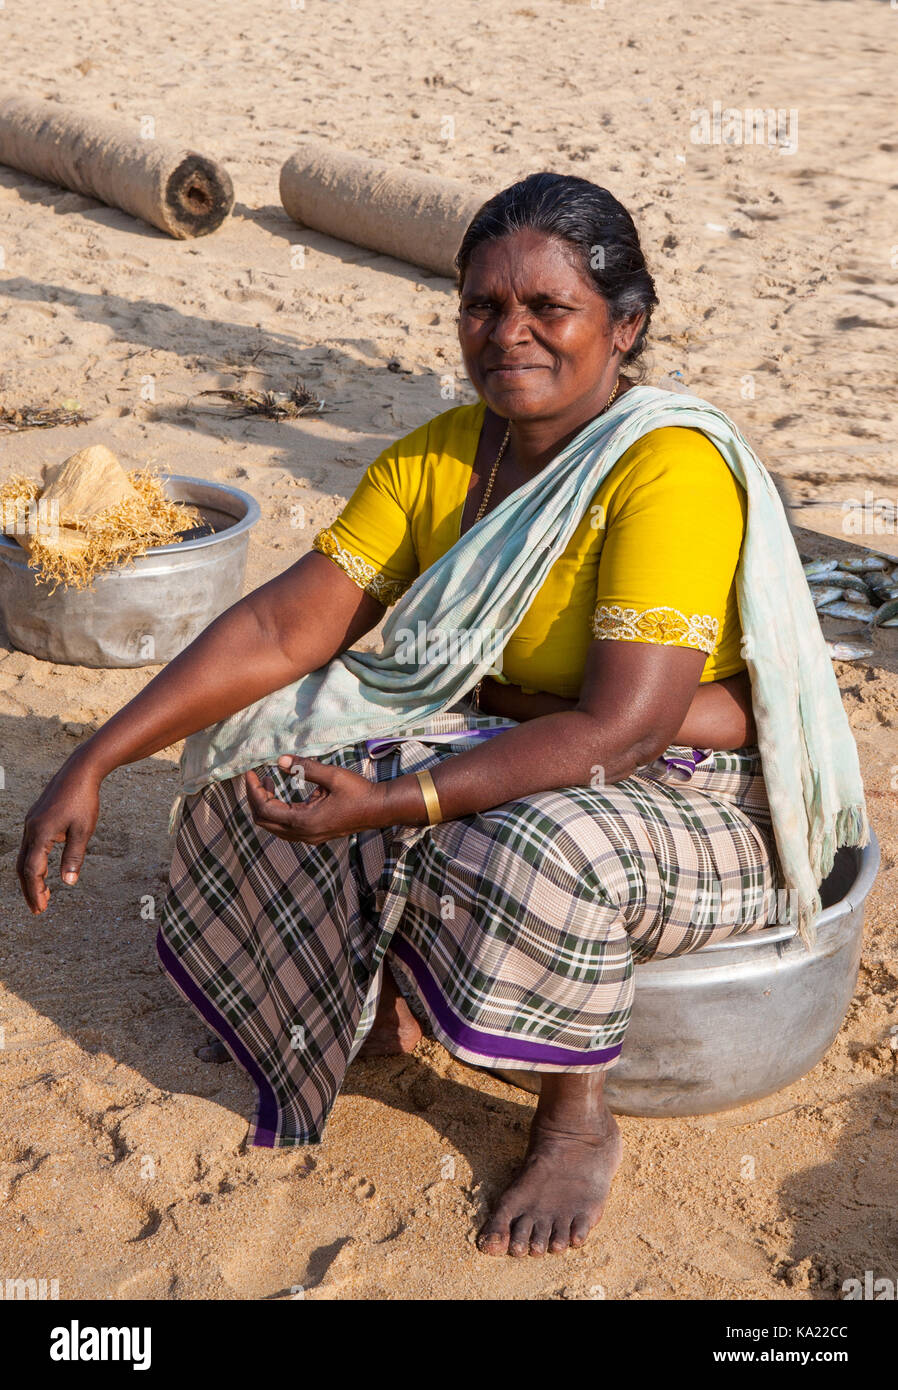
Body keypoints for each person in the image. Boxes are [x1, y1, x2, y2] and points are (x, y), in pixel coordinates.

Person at [17, 172, 867, 1260]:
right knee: (261, 741)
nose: (507, 333)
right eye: (481, 306)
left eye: (546, 309)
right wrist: (96, 758)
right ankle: (368, 1003)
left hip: (697, 794)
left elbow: (622, 730)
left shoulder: (666, 466)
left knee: (526, 842)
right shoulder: (446, 454)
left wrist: (394, 799)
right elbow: (284, 630)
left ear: (625, 327)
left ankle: (573, 1119)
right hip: (530, 737)